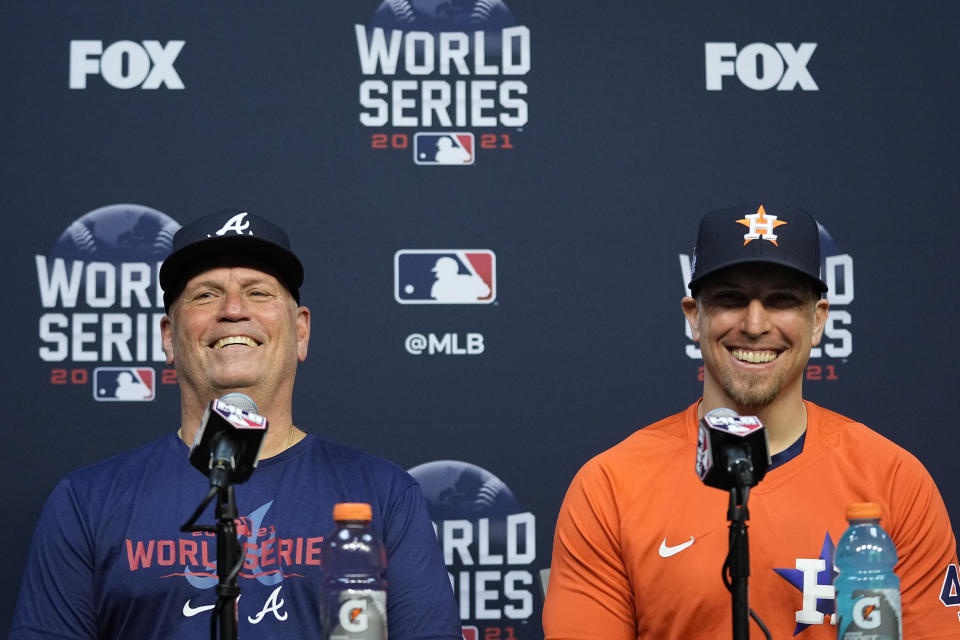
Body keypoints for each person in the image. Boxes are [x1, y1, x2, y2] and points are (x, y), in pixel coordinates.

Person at [11, 209, 462, 639]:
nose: (232, 310)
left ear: (301, 331)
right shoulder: (86, 501)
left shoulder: (382, 493)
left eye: (258, 292)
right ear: (169, 337)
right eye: (205, 294)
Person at [543, 203, 959, 639]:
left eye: (782, 300)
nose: (755, 324)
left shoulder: (893, 480)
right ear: (693, 316)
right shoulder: (611, 486)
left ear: (818, 321)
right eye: (730, 299)